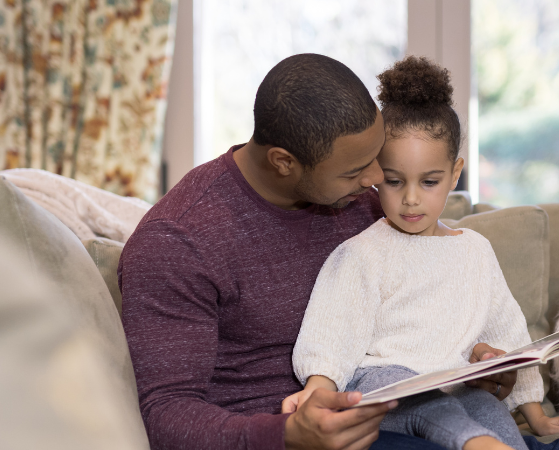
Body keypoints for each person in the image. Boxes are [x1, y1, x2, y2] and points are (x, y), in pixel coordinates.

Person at [119, 53, 517, 450]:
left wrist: (476, 363)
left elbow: (425, 311)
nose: (377, 180)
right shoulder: (177, 241)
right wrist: (288, 435)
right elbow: (164, 415)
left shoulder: (364, 202)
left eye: (376, 159)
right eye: (355, 170)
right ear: (283, 163)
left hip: (393, 411)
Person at [285, 56, 559, 450]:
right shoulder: (362, 254)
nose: (411, 199)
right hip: (386, 390)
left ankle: (500, 442)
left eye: (429, 182)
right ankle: (476, 443)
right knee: (415, 393)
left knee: (481, 402)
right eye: (394, 181)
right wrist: (315, 395)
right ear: (376, 175)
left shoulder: (475, 251)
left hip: (455, 385)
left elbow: (508, 335)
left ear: (454, 173)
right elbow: (331, 338)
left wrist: (540, 419)